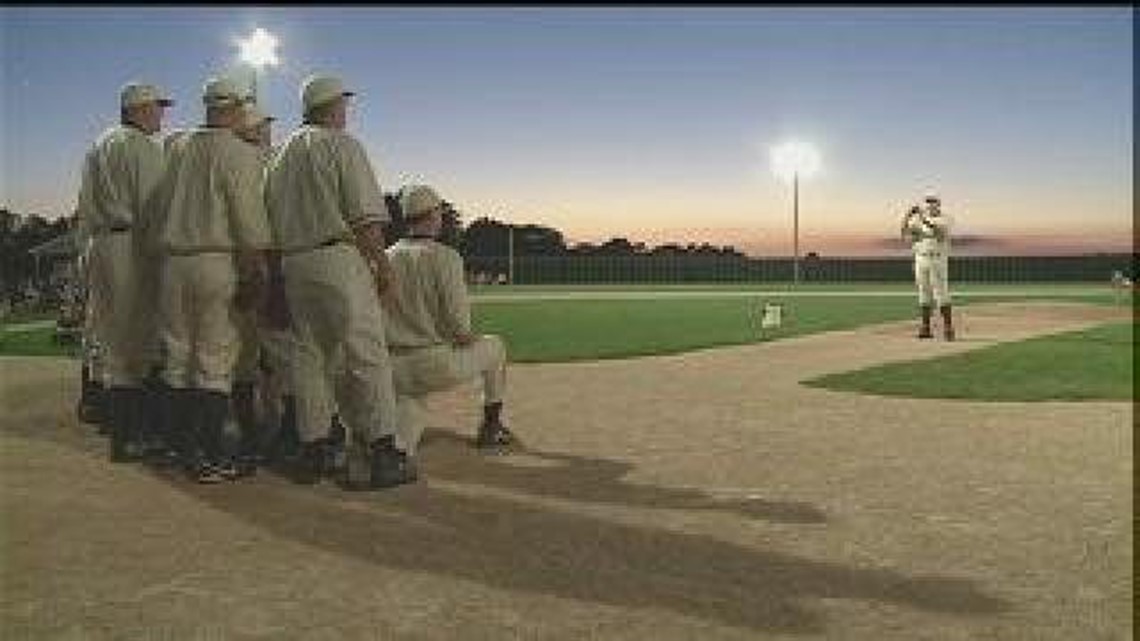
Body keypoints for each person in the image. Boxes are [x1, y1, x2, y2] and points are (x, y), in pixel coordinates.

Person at [264, 73, 414, 489]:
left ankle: (315, 451)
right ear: (331, 106)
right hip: (337, 258)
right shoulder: (341, 144)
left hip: (294, 262)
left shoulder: (278, 157)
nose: (346, 110)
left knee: (308, 357)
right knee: (366, 354)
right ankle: (384, 452)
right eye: (344, 103)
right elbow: (365, 220)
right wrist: (383, 268)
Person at [146, 76, 272, 483]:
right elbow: (248, 222)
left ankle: (177, 448)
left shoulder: (177, 145)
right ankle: (211, 455)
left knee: (177, 360)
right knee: (214, 363)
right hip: (215, 261)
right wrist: (254, 272)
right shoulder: (238, 152)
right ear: (235, 106)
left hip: (172, 263)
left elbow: (158, 206)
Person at [75, 81, 172, 462]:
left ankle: (120, 436)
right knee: (138, 343)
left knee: (113, 343)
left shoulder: (98, 144)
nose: (161, 115)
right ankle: (134, 436)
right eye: (155, 108)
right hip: (132, 245)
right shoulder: (139, 146)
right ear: (136, 110)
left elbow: (83, 205)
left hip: (100, 244)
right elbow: (155, 208)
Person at [382, 184, 517, 456]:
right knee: (496, 347)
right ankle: (490, 428)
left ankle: (393, 453)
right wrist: (468, 339)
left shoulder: (384, 257)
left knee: (408, 413)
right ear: (432, 215)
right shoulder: (446, 257)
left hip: (392, 368)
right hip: (433, 363)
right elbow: (458, 325)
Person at [900, 194, 955, 340]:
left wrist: (922, 218)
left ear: (939, 205)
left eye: (933, 202)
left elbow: (939, 232)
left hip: (937, 259)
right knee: (924, 293)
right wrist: (908, 215)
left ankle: (948, 329)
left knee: (941, 293)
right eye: (928, 203)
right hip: (920, 258)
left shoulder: (945, 219)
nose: (930, 205)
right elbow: (904, 233)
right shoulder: (918, 220)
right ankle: (925, 328)